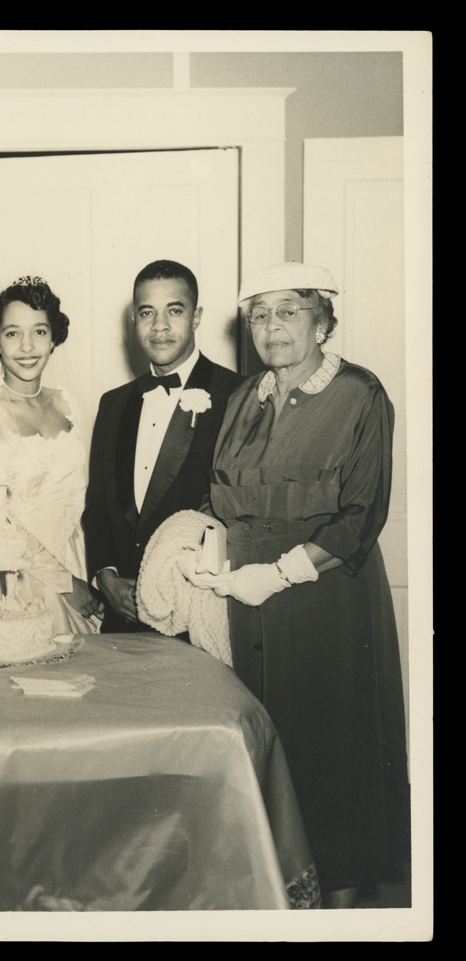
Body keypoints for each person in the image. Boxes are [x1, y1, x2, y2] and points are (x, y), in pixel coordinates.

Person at [194, 262, 410, 908]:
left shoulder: (359, 394)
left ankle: (339, 910)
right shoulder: (242, 400)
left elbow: (361, 514)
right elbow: (223, 496)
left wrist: (282, 570)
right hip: (249, 607)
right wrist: (209, 551)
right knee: (269, 752)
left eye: (289, 310)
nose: (272, 326)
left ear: (321, 318)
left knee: (330, 762)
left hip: (325, 600)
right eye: (260, 314)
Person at [81, 259, 241, 633]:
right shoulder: (113, 404)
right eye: (147, 312)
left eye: (175, 310)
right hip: (122, 619)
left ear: (197, 316)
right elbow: (99, 506)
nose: (160, 327)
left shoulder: (237, 395)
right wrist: (106, 578)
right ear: (133, 320)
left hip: (196, 617)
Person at [0, 276, 102, 634]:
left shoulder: (67, 401)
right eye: (13, 333)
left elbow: (83, 498)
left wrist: (88, 576)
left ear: (54, 338)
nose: (27, 347)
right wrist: (64, 583)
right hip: (17, 571)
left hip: (78, 561)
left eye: (40, 332)